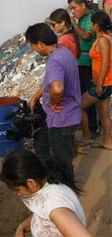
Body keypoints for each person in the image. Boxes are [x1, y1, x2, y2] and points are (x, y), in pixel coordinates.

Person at [26, 23, 81, 180]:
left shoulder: (54, 61)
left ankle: (66, 193)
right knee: (57, 153)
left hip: (62, 119)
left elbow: (57, 88)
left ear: (40, 44)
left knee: (62, 162)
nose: (34, 49)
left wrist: (52, 103)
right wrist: (37, 96)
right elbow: (51, 83)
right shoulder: (63, 51)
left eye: (33, 46)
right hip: (70, 115)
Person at [0, 149, 92, 237]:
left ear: (31, 183)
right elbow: (42, 215)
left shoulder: (55, 208)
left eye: (17, 189)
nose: (17, 194)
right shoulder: (48, 181)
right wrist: (22, 227)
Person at [68, 0, 100, 139]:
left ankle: (93, 127)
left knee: (88, 96)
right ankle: (87, 124)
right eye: (71, 9)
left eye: (74, 8)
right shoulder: (81, 19)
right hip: (80, 62)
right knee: (81, 93)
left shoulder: (89, 19)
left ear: (83, 5)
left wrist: (74, 24)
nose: (73, 11)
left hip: (88, 64)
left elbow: (86, 36)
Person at [80, 11, 112, 149]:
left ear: (97, 25)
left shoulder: (104, 40)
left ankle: (86, 137)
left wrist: (99, 84)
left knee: (78, 105)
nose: (90, 26)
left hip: (103, 84)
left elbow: (105, 63)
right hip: (106, 82)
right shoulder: (105, 38)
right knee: (104, 112)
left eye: (92, 23)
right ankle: (107, 141)